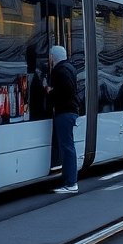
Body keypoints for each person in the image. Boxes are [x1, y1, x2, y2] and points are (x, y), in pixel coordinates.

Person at [47, 45, 79, 193]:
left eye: (50, 56)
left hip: (64, 112)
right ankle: (68, 181)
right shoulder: (70, 68)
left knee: (67, 147)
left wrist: (50, 91)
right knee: (67, 147)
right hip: (70, 111)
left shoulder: (59, 70)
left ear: (53, 57)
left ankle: (71, 183)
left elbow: (66, 91)